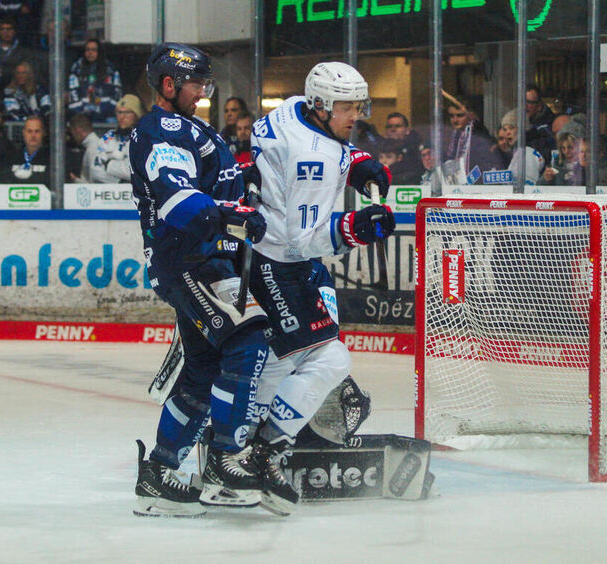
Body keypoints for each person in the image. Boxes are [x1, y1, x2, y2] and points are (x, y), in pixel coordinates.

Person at [246, 61, 395, 513]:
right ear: (320, 105)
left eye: (358, 105)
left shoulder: (292, 110)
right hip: (280, 262)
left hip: (265, 255)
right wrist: (356, 226)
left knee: (285, 356)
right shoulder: (314, 157)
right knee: (324, 358)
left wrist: (360, 164)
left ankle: (240, 442)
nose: (356, 115)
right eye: (347, 107)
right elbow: (303, 238)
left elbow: (330, 145)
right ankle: (259, 451)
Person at [129, 43, 269, 517]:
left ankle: (160, 473)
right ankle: (227, 460)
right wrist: (232, 212)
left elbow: (210, 182)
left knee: (203, 371)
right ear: (168, 85)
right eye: (197, 84)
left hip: (201, 262)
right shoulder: (164, 127)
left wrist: (242, 179)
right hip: (191, 262)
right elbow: (178, 200)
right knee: (248, 342)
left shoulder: (190, 127)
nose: (203, 92)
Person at [67, 38, 123, 123]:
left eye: (94, 50)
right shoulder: (77, 69)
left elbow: (117, 92)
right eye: (88, 50)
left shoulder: (110, 69)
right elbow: (73, 93)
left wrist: (111, 111)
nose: (90, 53)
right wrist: (79, 112)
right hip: (83, 117)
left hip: (108, 116)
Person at [90, 94, 143, 183]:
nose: (122, 117)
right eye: (119, 112)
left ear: (136, 115)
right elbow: (94, 168)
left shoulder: (144, 138)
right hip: (110, 193)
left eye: (127, 112)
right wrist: (120, 181)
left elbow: (138, 172)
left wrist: (109, 164)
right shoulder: (108, 137)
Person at [5, 114, 49, 184]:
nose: (33, 135)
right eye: (29, 131)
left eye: (37, 131)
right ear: (23, 133)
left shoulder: (52, 158)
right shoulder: (11, 156)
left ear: (43, 133)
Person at [384, 112, 423, 182]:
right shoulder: (380, 148)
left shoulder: (415, 149)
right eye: (389, 126)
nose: (393, 129)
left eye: (398, 126)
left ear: (407, 130)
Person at [67, 113, 99, 182]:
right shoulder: (92, 146)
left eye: (72, 132)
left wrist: (74, 179)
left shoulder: (93, 149)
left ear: (77, 131)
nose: (72, 136)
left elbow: (95, 183)